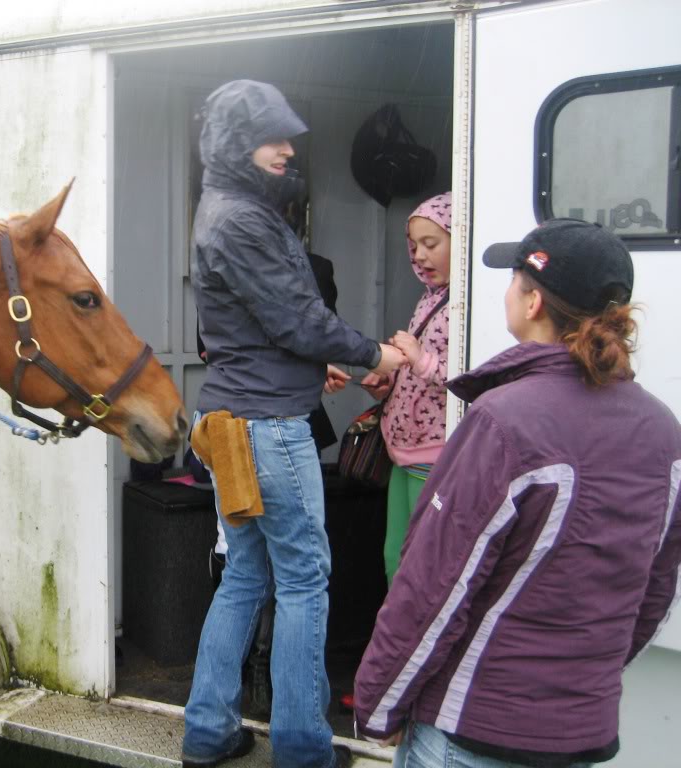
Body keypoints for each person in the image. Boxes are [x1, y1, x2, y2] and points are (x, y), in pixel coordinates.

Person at [354, 219, 681, 767]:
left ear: (532, 302)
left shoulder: (505, 421)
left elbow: (433, 590)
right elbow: (654, 591)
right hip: (578, 734)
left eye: (513, 280)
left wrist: (377, 704)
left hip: (469, 732)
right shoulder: (662, 430)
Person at [182, 78, 405, 768]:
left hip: (233, 418)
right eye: (272, 137)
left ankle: (210, 731)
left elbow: (257, 329)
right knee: (306, 580)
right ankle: (305, 748)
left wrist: (318, 370)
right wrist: (378, 354)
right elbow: (297, 319)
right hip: (270, 428)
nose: (287, 149)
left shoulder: (224, 208)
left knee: (247, 577)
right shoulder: (243, 219)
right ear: (235, 145)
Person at [360, 192, 452, 584]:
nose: (420, 256)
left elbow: (471, 380)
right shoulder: (429, 301)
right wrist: (390, 379)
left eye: (432, 244)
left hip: (433, 453)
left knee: (420, 563)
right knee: (394, 555)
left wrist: (419, 359)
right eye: (414, 247)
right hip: (403, 451)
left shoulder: (469, 306)